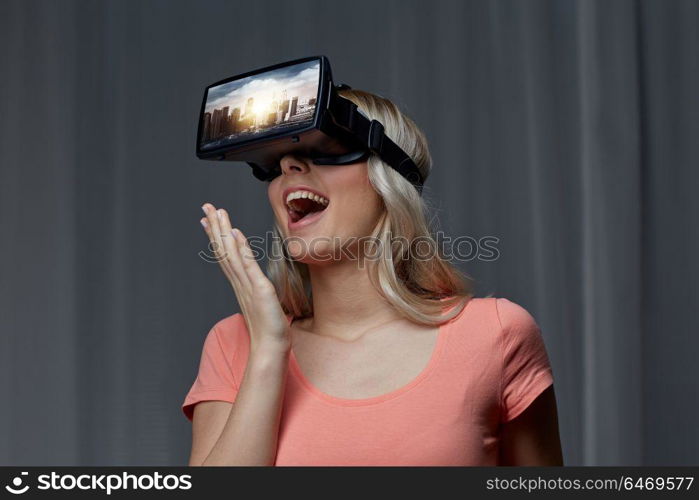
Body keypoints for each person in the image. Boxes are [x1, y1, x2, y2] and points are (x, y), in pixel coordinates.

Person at [182, 88, 563, 466]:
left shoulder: (495, 334)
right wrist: (267, 349)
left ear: (390, 180)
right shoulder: (235, 344)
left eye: (326, 148)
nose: (289, 167)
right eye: (276, 161)